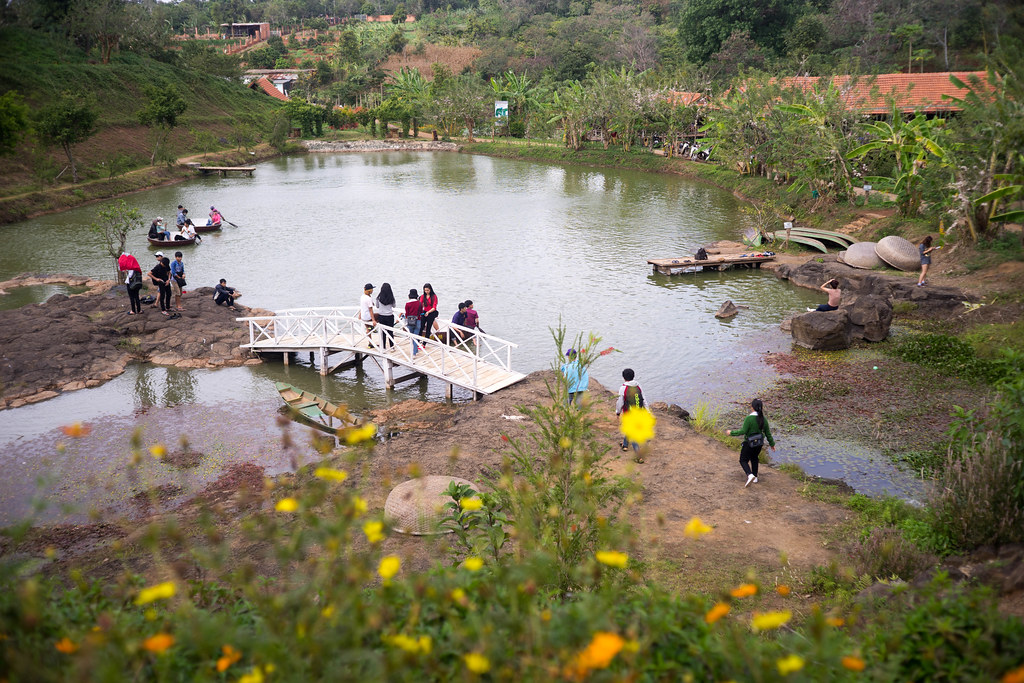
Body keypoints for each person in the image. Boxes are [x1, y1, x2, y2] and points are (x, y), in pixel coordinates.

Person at [729, 398, 776, 487]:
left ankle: (749, 475)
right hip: (759, 444)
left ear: (752, 407)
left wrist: (731, 433)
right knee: (754, 458)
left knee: (743, 460)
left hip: (749, 443)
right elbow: (768, 433)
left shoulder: (749, 418)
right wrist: (772, 444)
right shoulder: (763, 419)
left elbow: (743, 431)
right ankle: (755, 476)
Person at [615, 368, 645, 461]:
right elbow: (644, 399)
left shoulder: (623, 388)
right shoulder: (638, 386)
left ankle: (639, 457)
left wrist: (618, 412)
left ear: (623, 377)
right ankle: (625, 445)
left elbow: (620, 402)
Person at [374, 282, 397, 349]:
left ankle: (383, 346)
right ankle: (392, 347)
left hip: (381, 316)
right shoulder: (391, 298)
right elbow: (394, 306)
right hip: (390, 316)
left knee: (383, 332)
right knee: (390, 332)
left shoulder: (378, 298)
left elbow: (377, 306)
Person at [403, 288, 422, 355]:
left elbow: (406, 314)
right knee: (416, 336)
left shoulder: (407, 304)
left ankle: (414, 352)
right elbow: (421, 312)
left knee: (412, 336)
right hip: (418, 320)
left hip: (410, 321)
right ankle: (415, 351)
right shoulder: (419, 303)